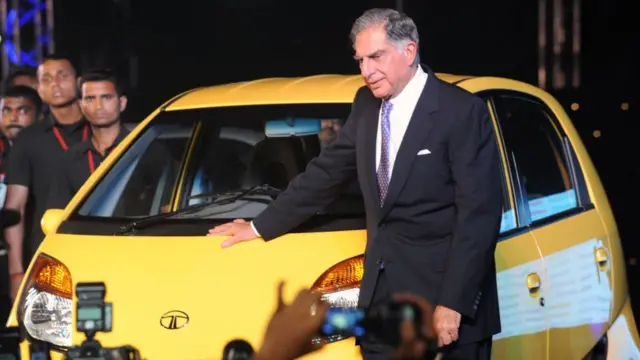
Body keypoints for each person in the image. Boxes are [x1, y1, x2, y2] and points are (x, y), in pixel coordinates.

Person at [208, 8, 503, 360]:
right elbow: (325, 174)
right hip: (380, 311)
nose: (366, 71)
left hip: (442, 311)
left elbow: (479, 217)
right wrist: (259, 225)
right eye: (360, 60)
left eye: (375, 57)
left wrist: (452, 304)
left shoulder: (461, 112)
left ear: (409, 52)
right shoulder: (366, 104)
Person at [3, 54, 89, 302]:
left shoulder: (100, 129)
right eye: (47, 79)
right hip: (46, 254)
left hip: (100, 245)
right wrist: (16, 272)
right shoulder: (28, 140)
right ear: (39, 89)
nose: (55, 84)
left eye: (62, 75)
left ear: (78, 81)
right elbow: (14, 208)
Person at [46, 69, 129, 209]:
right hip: (84, 231)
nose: (98, 106)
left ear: (122, 103)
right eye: (90, 99)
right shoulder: (70, 159)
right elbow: (57, 213)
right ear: (81, 105)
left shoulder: (144, 149)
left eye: (106, 97)